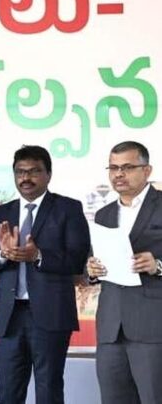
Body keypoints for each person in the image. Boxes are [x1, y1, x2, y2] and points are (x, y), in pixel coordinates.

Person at [0, 145, 90, 404]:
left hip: (51, 315)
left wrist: (38, 256)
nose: (26, 178)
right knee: (8, 391)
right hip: (10, 316)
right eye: (20, 172)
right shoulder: (0, 214)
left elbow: (76, 260)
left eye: (34, 171)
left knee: (48, 390)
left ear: (48, 174)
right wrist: (3, 254)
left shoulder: (68, 208)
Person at [86, 141, 162, 404]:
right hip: (111, 328)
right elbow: (95, 261)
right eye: (113, 168)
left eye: (127, 167)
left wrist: (158, 265)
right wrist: (92, 269)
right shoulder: (104, 214)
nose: (119, 174)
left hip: (153, 328)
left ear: (147, 170)